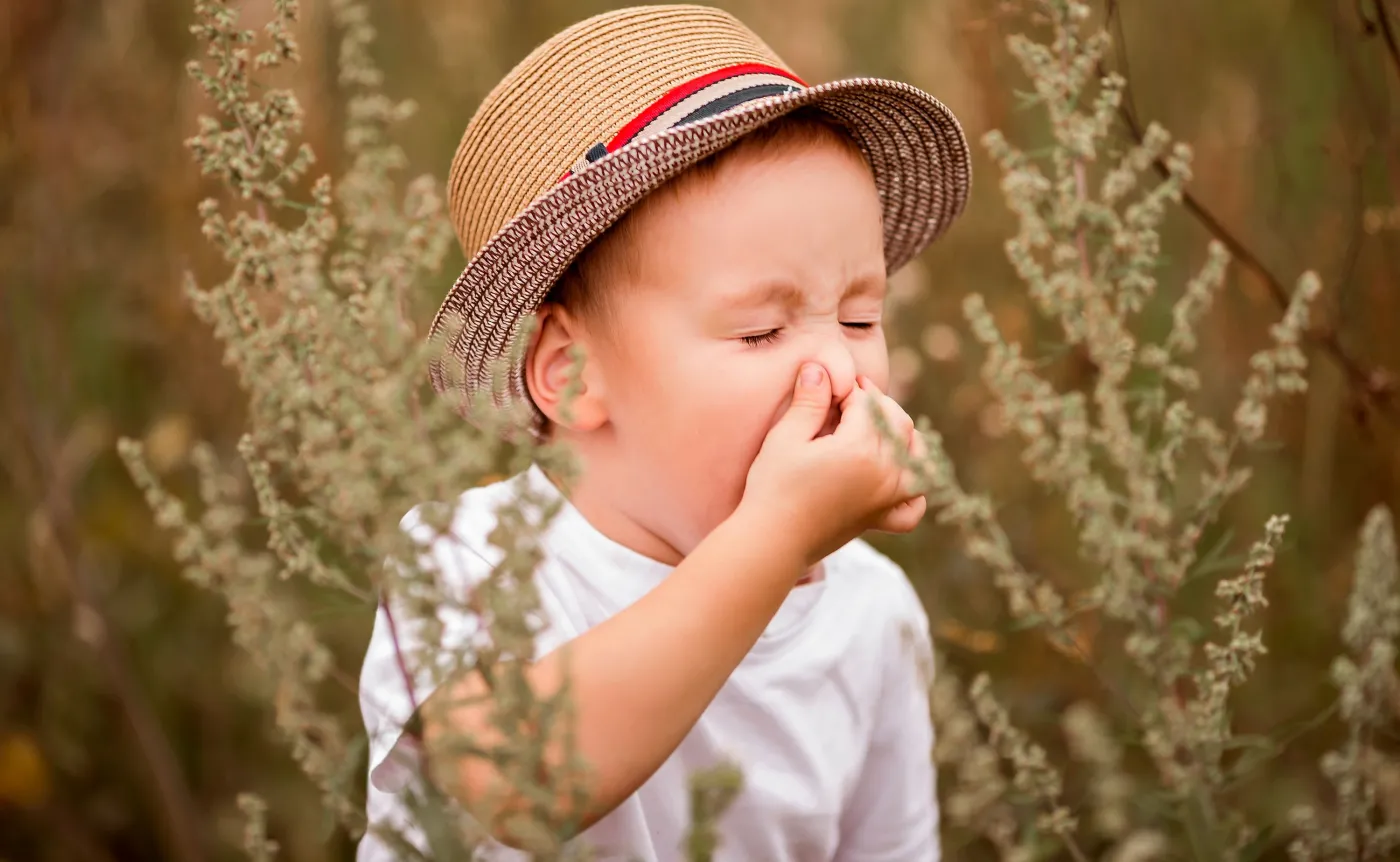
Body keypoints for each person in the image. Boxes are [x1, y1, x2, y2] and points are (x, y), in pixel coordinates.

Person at [358, 4, 971, 860]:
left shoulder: (873, 618)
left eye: (863, 317)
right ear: (571, 374)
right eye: (761, 331)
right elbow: (519, 786)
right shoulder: (468, 562)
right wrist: (777, 531)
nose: (841, 370)